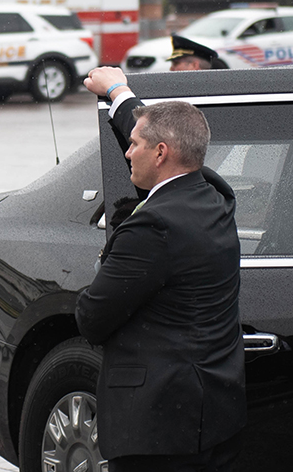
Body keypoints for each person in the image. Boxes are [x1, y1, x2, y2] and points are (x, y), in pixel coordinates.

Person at [77, 67, 246, 471]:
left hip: (157, 430)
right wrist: (119, 92)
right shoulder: (216, 198)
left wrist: (111, 253)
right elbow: (163, 136)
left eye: (134, 144)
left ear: (161, 153)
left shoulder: (152, 227)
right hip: (214, 416)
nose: (127, 152)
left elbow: (92, 319)